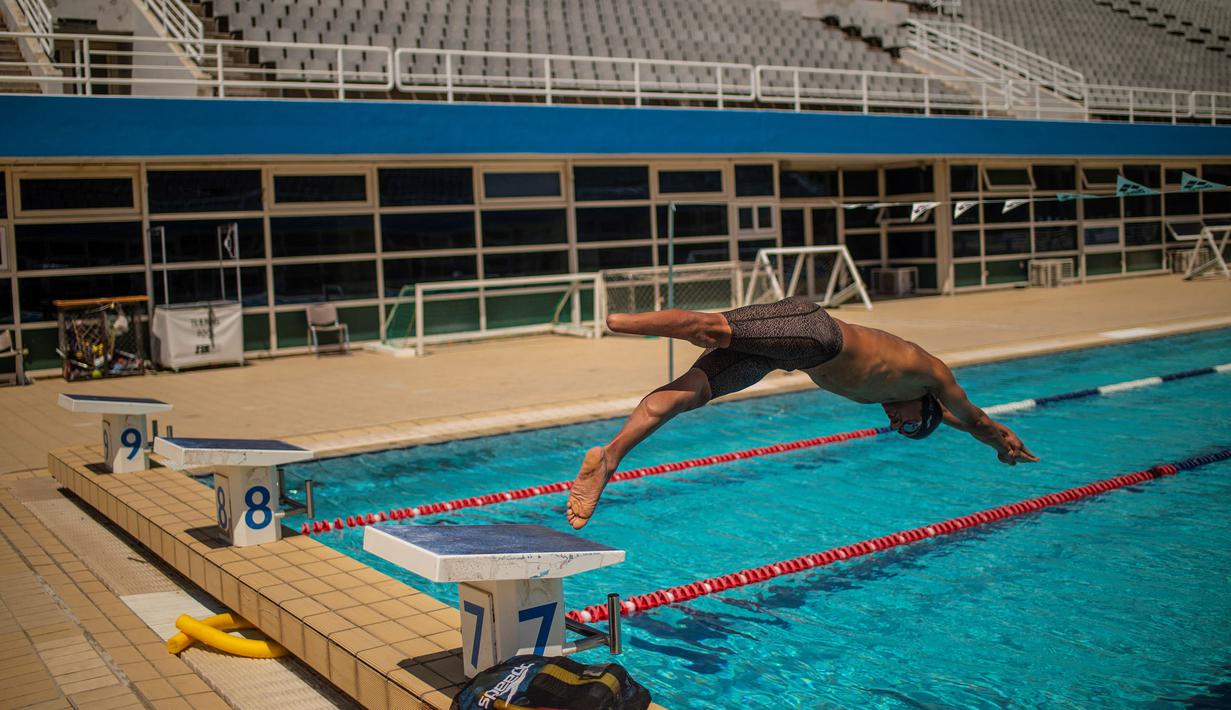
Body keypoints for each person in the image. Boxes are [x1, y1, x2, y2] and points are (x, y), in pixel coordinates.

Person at [566, 297, 1038, 529]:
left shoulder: (893, 396)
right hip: (815, 332)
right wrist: (1002, 441)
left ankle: (607, 461)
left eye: (903, 430)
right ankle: (620, 322)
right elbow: (970, 418)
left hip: (785, 357)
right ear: (927, 406)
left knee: (686, 394)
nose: (897, 425)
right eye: (909, 424)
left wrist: (964, 430)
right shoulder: (932, 376)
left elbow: (948, 422)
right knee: (709, 328)